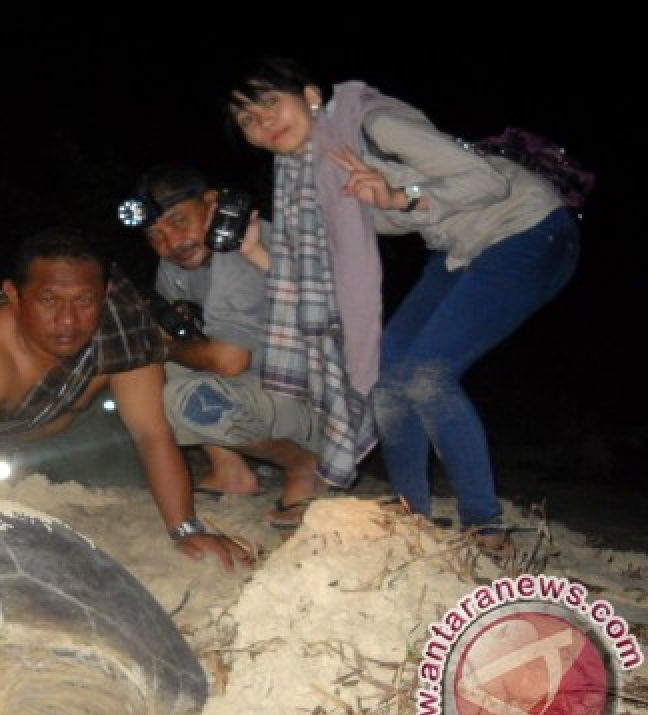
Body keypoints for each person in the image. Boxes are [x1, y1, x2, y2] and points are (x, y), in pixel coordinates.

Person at [226, 58, 579, 550]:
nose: (262, 122)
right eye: (246, 120)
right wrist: (254, 251)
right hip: (461, 250)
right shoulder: (309, 179)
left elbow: (487, 182)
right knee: (388, 370)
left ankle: (485, 524)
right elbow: (310, 275)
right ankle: (411, 508)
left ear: (309, 95)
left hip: (529, 230)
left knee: (427, 372)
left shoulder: (374, 122)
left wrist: (400, 196)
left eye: (268, 102)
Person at [0, 227, 254, 570]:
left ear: (106, 293)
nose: (67, 320)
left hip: (76, 435)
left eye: (84, 301)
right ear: (14, 296)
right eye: (49, 300)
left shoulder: (119, 321)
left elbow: (151, 434)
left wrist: (185, 529)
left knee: (129, 483)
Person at [130, 164, 326, 528]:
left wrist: (165, 346)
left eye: (179, 220)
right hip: (264, 386)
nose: (171, 243)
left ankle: (305, 464)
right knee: (144, 373)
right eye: (155, 235)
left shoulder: (239, 249)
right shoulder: (174, 264)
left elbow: (228, 360)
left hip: (325, 405)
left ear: (211, 203)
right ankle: (229, 470)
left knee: (187, 397)